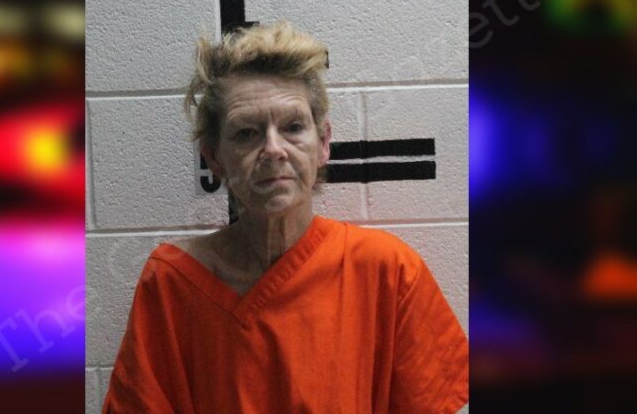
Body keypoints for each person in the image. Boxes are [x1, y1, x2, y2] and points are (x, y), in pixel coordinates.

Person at [101, 21, 468, 413]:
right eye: (246, 133)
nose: (273, 149)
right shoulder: (172, 284)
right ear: (214, 157)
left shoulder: (388, 272)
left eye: (293, 127)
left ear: (323, 143)